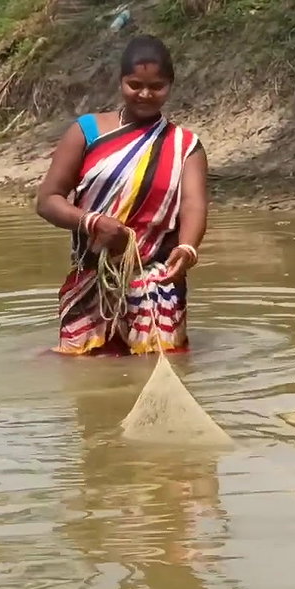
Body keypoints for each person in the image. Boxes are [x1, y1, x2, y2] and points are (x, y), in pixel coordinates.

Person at [35, 35, 209, 356]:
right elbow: (47, 200)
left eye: (156, 86)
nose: (145, 94)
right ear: (120, 82)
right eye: (135, 84)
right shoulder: (87, 131)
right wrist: (92, 221)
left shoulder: (185, 145)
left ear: (170, 86)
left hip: (157, 282)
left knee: (160, 368)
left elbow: (193, 204)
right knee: (84, 375)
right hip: (92, 279)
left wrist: (187, 248)